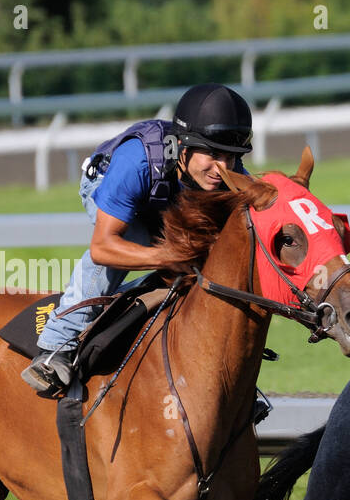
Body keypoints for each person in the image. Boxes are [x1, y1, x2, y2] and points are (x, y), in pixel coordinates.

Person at [21, 83, 253, 395]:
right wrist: (168, 255)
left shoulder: (228, 171)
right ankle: (55, 347)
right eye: (212, 155)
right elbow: (103, 247)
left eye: (231, 157)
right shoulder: (137, 161)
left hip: (168, 200)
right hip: (109, 186)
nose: (222, 168)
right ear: (183, 146)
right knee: (131, 240)